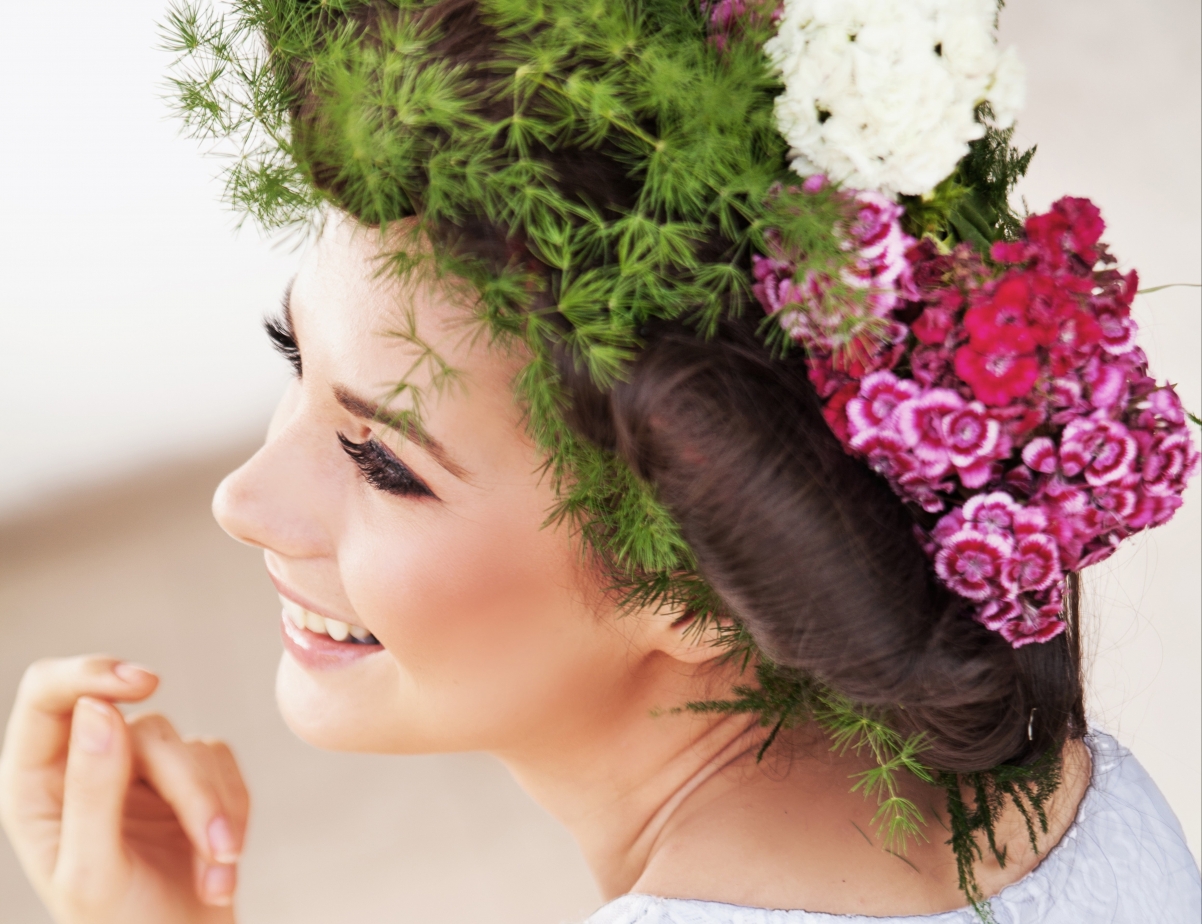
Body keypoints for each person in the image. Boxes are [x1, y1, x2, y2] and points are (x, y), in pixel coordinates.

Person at [1, 1, 1199, 922]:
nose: (239, 501)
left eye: (381, 461)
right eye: (288, 354)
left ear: (706, 575)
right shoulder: (1070, 800)